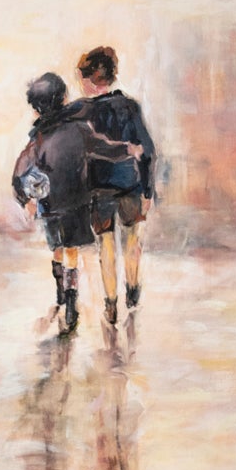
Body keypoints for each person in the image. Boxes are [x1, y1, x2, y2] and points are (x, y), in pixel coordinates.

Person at [11, 72, 135, 327]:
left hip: (49, 204)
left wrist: (24, 199)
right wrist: (128, 149)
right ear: (63, 98)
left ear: (36, 108)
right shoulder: (79, 128)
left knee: (57, 249)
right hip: (76, 201)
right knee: (71, 251)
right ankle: (70, 301)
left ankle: (63, 295)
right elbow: (103, 147)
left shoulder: (38, 138)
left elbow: (20, 171)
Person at [77, 45, 156, 322]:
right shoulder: (130, 107)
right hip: (131, 183)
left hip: (98, 188)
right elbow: (147, 149)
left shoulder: (83, 112)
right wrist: (148, 189)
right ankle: (132, 288)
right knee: (133, 238)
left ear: (90, 79)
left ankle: (111, 302)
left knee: (106, 244)